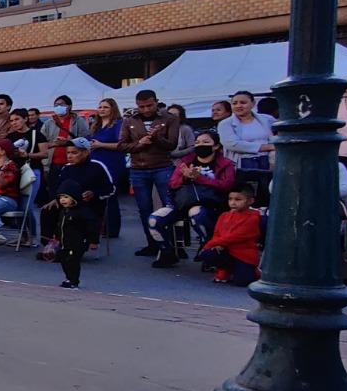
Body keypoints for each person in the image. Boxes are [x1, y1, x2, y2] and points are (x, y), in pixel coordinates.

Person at [145, 130, 237, 267]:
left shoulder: (225, 164)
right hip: (182, 203)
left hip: (211, 204)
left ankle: (208, 248)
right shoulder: (186, 162)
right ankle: (168, 253)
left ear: (216, 146)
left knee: (196, 213)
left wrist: (201, 179)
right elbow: (172, 184)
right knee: (154, 220)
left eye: (206, 142)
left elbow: (227, 185)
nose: (200, 145)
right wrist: (185, 177)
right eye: (197, 142)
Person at [38, 138, 114, 269]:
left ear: (85, 153)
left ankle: (79, 245)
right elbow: (58, 188)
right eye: (68, 153)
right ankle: (51, 244)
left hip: (91, 205)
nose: (70, 156)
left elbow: (111, 189)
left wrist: (94, 193)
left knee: (77, 216)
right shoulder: (66, 168)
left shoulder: (97, 166)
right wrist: (56, 199)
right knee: (47, 210)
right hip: (68, 203)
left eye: (74, 152)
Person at [119, 88, 179, 254]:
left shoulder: (170, 119)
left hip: (162, 166)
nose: (146, 109)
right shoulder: (129, 120)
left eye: (149, 105)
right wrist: (140, 143)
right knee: (144, 208)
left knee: (169, 206)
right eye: (142, 106)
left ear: (156, 102)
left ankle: (171, 245)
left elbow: (172, 144)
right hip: (138, 168)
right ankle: (152, 244)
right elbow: (122, 145)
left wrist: (156, 138)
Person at [199, 182, 264, 285]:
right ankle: (225, 269)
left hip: (244, 256)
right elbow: (217, 233)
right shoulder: (224, 215)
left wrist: (210, 244)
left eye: (238, 200)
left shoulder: (253, 218)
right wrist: (217, 244)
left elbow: (234, 237)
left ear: (250, 201)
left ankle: (251, 271)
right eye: (230, 199)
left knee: (242, 282)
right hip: (227, 251)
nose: (233, 203)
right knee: (209, 254)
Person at [86, 96, 127, 239]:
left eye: (105, 107)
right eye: (100, 107)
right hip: (96, 163)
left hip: (112, 163)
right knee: (96, 195)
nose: (102, 110)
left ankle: (112, 229)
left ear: (113, 109)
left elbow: (122, 145)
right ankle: (98, 227)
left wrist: (101, 145)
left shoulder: (119, 124)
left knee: (110, 195)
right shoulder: (96, 125)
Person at [218, 91, 275, 173]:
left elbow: (278, 136)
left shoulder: (267, 119)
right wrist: (268, 147)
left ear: (253, 103)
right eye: (234, 103)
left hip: (268, 161)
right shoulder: (225, 124)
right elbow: (233, 144)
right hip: (243, 163)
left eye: (243, 102)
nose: (238, 106)